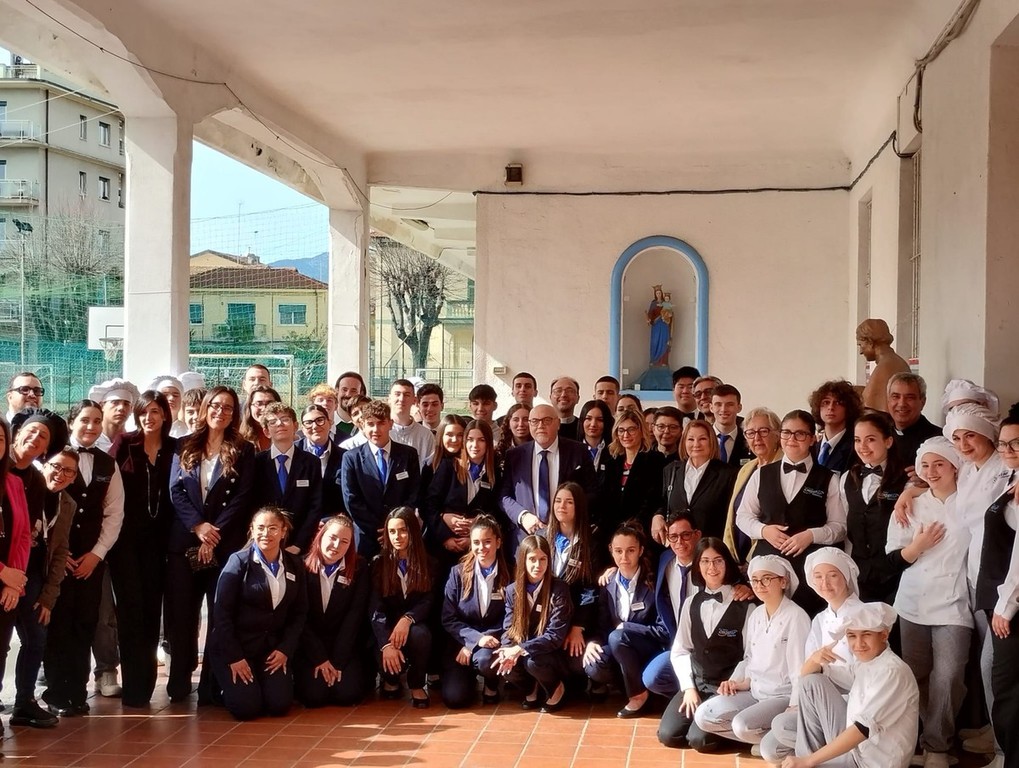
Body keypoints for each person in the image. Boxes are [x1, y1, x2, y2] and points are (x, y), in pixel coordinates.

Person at [166, 386, 255, 703]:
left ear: (234, 414)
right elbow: (176, 490)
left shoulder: (243, 449)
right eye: (215, 405)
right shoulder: (184, 444)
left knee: (219, 615)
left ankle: (211, 685)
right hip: (185, 543)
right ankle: (179, 680)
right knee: (182, 616)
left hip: (224, 544)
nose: (221, 411)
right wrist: (198, 526)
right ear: (205, 408)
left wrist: (214, 532)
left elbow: (243, 496)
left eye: (228, 407)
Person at [885, 437, 969, 768]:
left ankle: (937, 743)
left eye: (939, 464)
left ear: (955, 466)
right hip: (913, 601)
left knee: (949, 675)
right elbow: (893, 554)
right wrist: (917, 546)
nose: (931, 472)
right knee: (916, 674)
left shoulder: (970, 501)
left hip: (955, 602)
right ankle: (933, 743)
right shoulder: (911, 506)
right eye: (925, 465)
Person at [43, 400, 125, 717]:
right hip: (57, 559)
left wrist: (97, 554)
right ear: (72, 422)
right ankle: (55, 693)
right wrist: (57, 555)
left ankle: (77, 692)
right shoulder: (54, 459)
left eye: (97, 421)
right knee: (58, 624)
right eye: (85, 420)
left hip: (91, 560)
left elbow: (114, 514)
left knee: (85, 623)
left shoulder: (108, 464)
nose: (91, 426)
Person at [693, 555, 810, 750]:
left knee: (742, 725)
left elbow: (800, 669)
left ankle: (777, 741)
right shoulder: (756, 614)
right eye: (755, 580)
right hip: (754, 691)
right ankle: (767, 741)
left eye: (766, 579)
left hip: (782, 695)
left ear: (783, 582)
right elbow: (749, 658)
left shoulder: (796, 617)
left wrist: (794, 706)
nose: (759, 585)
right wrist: (735, 681)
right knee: (704, 716)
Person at [735, 410, 845, 614]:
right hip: (766, 572)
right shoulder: (761, 474)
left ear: (812, 439)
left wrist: (811, 535)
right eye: (786, 433)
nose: (791, 439)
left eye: (800, 434)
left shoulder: (829, 478)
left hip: (809, 572)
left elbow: (839, 527)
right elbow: (742, 517)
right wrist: (763, 531)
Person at [784, 602, 919, 768]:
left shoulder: (892, 671)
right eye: (852, 636)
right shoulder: (863, 665)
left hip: (870, 764)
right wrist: (814, 658)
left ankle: (807, 760)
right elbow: (807, 677)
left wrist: (808, 761)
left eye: (866, 635)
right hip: (855, 753)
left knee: (799, 756)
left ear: (884, 635)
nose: (858, 644)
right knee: (809, 684)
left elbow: (862, 730)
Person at [760, 547, 862, 764]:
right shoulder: (820, 620)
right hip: (819, 702)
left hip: (853, 707)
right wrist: (816, 661)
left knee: (808, 691)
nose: (825, 583)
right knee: (771, 745)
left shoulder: (865, 616)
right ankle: (825, 754)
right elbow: (806, 670)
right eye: (818, 576)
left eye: (832, 575)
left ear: (846, 577)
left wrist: (820, 669)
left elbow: (866, 678)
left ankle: (821, 758)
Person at [109, 391, 177, 707]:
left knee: (152, 611)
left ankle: (146, 683)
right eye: (143, 412)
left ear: (164, 415)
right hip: (125, 542)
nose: (149, 418)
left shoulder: (175, 448)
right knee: (130, 611)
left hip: (160, 543)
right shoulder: (125, 443)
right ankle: (133, 686)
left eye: (155, 412)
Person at [209, 506, 308, 720]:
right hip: (236, 648)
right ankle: (224, 687)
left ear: (283, 531)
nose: (266, 533)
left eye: (273, 528)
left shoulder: (295, 565)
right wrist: (235, 657)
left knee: (279, 705)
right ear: (252, 530)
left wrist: (285, 649)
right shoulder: (238, 562)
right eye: (260, 528)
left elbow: (299, 613)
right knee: (247, 709)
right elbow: (221, 614)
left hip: (270, 651)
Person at [658, 538, 752, 750]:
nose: (712, 567)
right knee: (668, 735)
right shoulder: (690, 603)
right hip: (698, 683)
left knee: (699, 740)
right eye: (705, 561)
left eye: (718, 560)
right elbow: (681, 650)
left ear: (727, 563)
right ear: (698, 566)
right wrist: (689, 688)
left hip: (727, 688)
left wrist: (734, 682)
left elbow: (750, 655)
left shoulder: (745, 605)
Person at [7, 448, 76, 728]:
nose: (60, 474)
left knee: (35, 637)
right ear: (44, 465)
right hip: (8, 569)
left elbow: (60, 552)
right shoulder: (23, 487)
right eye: (56, 467)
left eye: (68, 471)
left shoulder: (67, 503)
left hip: (34, 576)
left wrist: (48, 596)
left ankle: (24, 702)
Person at [584, 521, 668, 718]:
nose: (624, 557)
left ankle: (638, 695)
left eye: (630, 550)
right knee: (593, 663)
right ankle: (628, 686)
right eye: (618, 551)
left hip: (649, 649)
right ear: (611, 550)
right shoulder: (607, 583)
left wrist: (626, 628)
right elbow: (603, 625)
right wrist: (593, 642)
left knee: (617, 637)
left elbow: (663, 630)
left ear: (640, 550)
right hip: (620, 650)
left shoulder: (654, 582)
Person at [974, 404, 1019, 767]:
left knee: (1006, 687)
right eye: (1003, 443)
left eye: (1015, 443)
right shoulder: (1009, 477)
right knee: (996, 677)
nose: (1007, 450)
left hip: (1011, 604)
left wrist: (1006, 606)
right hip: (998, 597)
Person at [296, 514, 373, 707]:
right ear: (321, 536)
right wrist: (320, 658)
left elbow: (354, 615)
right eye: (332, 537)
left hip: (343, 643)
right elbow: (300, 617)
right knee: (314, 697)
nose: (336, 545)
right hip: (311, 645)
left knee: (348, 694)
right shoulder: (301, 566)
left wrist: (338, 660)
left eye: (344, 541)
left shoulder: (359, 568)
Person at [493, 534, 572, 712]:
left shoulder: (559, 589)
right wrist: (507, 650)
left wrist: (521, 648)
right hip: (523, 647)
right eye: (532, 559)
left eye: (543, 559)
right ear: (523, 560)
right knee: (502, 661)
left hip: (550, 652)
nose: (538, 565)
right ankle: (530, 688)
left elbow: (555, 636)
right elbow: (508, 628)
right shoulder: (512, 590)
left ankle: (556, 687)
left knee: (533, 661)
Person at [440, 515, 512, 708]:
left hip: (492, 644)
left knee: (486, 660)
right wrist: (473, 640)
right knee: (454, 699)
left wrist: (483, 640)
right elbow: (448, 618)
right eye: (476, 542)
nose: (482, 548)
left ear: (498, 542)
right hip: (460, 645)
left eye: (487, 542)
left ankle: (491, 683)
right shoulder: (457, 573)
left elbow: (511, 618)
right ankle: (468, 680)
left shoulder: (510, 574)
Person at [499, 403, 596, 546]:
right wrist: (523, 516)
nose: (540, 426)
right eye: (535, 421)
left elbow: (592, 492)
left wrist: (568, 514)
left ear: (558, 424)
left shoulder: (578, 451)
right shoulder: (514, 456)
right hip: (526, 540)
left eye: (547, 420)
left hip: (568, 538)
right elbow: (504, 496)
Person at [840, 412, 911, 603]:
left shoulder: (907, 480)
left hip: (894, 573)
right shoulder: (847, 478)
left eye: (870, 439)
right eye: (857, 440)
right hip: (859, 572)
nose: (862, 446)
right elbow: (846, 525)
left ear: (888, 442)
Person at [370, 507, 434, 707]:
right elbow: (375, 608)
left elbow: (429, 600)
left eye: (403, 530)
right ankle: (391, 680)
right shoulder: (378, 563)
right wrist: (386, 644)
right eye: (392, 531)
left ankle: (416, 684)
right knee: (385, 658)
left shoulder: (430, 563)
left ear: (413, 531)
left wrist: (408, 618)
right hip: (387, 628)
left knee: (421, 635)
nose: (397, 537)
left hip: (414, 626)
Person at [340, 400, 421, 559]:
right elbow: (351, 499)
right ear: (362, 425)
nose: (376, 429)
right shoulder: (351, 458)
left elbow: (414, 493)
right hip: (366, 537)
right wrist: (378, 529)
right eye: (370, 424)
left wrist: (394, 527)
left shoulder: (408, 455)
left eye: (381, 423)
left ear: (390, 424)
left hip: (400, 535)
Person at [545, 482, 602, 693]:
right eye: (558, 501)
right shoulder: (543, 537)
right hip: (548, 618)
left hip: (577, 616)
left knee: (577, 667)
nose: (562, 506)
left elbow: (590, 589)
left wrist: (578, 626)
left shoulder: (591, 539)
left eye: (569, 502)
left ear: (579, 506)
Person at [426, 419, 503, 563]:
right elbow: (430, 505)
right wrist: (445, 535)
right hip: (442, 549)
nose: (475, 445)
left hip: (476, 550)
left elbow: (496, 512)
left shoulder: (494, 473)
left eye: (481, 440)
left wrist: (475, 532)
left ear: (488, 443)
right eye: (470, 439)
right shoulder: (448, 467)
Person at [644, 511, 702, 700]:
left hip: (707, 648)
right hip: (680, 645)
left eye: (685, 535)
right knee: (652, 678)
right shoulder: (665, 561)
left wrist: (742, 587)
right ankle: (686, 693)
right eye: (673, 537)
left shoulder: (709, 563)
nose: (679, 542)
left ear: (697, 535)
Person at [254, 402, 323, 551]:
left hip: (300, 545)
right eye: (273, 422)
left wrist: (299, 544)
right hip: (265, 543)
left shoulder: (311, 463)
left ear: (295, 426)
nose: (280, 424)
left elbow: (315, 506)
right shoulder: (256, 463)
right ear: (266, 431)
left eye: (285, 419)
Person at [655, 420, 737, 544]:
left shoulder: (728, 474)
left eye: (702, 439)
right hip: (678, 546)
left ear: (711, 441)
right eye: (691, 439)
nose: (696, 444)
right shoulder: (671, 470)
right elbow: (663, 503)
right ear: (684, 442)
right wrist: (657, 516)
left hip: (710, 546)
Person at [722, 407, 783, 564]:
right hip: (737, 559)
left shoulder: (784, 468)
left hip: (767, 559)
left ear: (777, 435)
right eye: (750, 433)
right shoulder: (746, 469)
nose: (757, 438)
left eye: (763, 431)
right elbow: (732, 515)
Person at [602, 409, 665, 539]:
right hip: (612, 532)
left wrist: (631, 528)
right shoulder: (611, 463)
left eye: (631, 429)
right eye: (621, 430)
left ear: (641, 431)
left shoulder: (655, 460)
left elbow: (652, 500)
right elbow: (606, 501)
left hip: (641, 531)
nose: (626, 435)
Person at [296, 404, 345, 516]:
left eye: (320, 420)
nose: (315, 426)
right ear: (302, 429)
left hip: (333, 520)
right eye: (308, 423)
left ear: (330, 423)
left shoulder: (344, 457)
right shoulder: (293, 453)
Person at [886, 373, 942, 467]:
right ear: (888, 401)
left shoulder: (938, 439)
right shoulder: (880, 434)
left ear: (922, 402)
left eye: (910, 398)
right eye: (895, 397)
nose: (902, 404)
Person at [855, 318, 912, 411]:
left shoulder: (885, 366)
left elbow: (872, 408)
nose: (861, 351)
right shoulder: (894, 361)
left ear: (870, 342)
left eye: (861, 345)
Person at [808, 380, 862, 473]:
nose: (831, 407)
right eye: (826, 402)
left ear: (848, 408)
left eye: (838, 403)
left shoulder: (855, 447)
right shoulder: (811, 448)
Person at [420, 414, 466, 517]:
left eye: (460, 435)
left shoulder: (470, 466)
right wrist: (442, 517)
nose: (454, 439)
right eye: (449, 434)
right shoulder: (430, 466)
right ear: (441, 436)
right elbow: (424, 504)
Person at [388, 379, 436, 471]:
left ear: (414, 400)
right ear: (389, 398)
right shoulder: (381, 432)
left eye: (406, 395)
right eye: (397, 394)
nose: (401, 399)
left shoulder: (426, 436)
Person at [711, 384, 752, 466]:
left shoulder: (749, 439)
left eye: (729, 404)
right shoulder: (700, 438)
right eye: (718, 404)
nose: (723, 409)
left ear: (739, 407)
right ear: (711, 408)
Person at [240, 385, 281, 452]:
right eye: (259, 404)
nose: (264, 408)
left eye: (270, 404)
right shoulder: (240, 438)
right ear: (250, 407)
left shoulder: (288, 436)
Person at [495, 403, 531, 469]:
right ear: (508, 424)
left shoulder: (539, 449)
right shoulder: (499, 452)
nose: (521, 424)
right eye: (516, 420)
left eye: (526, 419)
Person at [334, 371, 367, 438]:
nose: (348, 394)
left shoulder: (369, 426)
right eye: (344, 389)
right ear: (336, 391)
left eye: (353, 391)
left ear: (362, 394)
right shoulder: (326, 424)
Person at [647, 284, 673, 367]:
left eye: (659, 293)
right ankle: (654, 360)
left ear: (662, 293)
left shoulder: (665, 303)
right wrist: (649, 319)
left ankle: (663, 361)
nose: (658, 294)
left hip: (664, 324)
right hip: (656, 325)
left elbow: (670, 312)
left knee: (664, 341)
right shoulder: (653, 303)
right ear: (655, 294)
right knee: (655, 342)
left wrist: (668, 315)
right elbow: (650, 313)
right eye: (657, 293)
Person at [550, 376, 580, 441]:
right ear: (550, 397)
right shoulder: (543, 426)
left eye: (570, 391)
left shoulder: (584, 427)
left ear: (578, 398)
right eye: (558, 391)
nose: (563, 395)